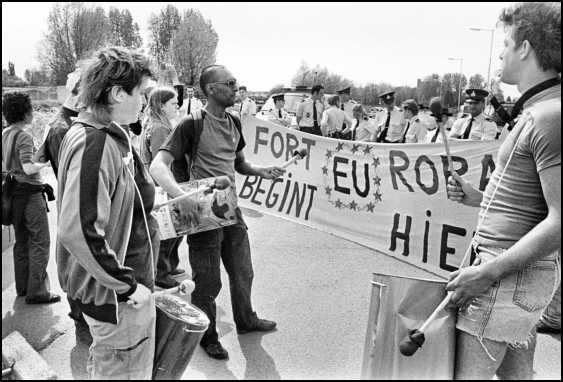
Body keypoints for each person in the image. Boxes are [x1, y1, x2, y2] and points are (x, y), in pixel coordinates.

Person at [445, 3, 561, 379]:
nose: (501, 52)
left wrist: (488, 272)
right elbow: (536, 203)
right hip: (511, 276)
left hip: (502, 277)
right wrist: (477, 198)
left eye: (507, 43)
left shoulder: (549, 116)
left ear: (526, 48)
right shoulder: (542, 111)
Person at [150, 64, 285, 361]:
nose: (237, 87)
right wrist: (180, 195)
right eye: (231, 83)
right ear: (212, 89)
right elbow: (158, 166)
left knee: (243, 270)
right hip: (202, 215)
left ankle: (246, 320)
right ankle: (206, 335)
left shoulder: (234, 122)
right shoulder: (190, 124)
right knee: (208, 281)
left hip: (231, 209)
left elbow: (239, 163)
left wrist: (263, 171)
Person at [56, 46, 159, 379]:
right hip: (119, 302)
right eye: (141, 93)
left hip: (118, 296)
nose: (145, 102)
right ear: (117, 93)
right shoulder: (96, 141)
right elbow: (79, 230)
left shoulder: (104, 135)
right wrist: (127, 286)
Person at [2, 92, 60, 305]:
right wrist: (43, 164)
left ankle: (23, 287)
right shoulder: (24, 136)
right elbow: (28, 167)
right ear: (25, 113)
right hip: (30, 194)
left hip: (15, 193)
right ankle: (38, 291)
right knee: (40, 240)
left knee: (22, 241)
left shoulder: (6, 134)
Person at [139, 86, 185, 289]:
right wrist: (170, 187)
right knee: (167, 231)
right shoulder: (159, 128)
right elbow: (161, 164)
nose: (178, 106)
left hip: (159, 186)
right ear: (161, 106)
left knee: (174, 230)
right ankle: (162, 272)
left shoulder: (159, 124)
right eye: (174, 104)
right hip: (162, 187)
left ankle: (170, 266)